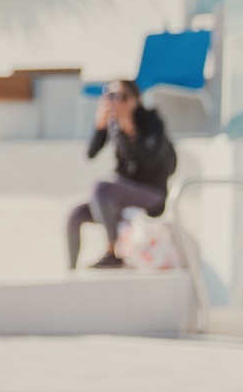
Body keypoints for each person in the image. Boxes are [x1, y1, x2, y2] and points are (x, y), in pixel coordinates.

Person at [68, 79, 176, 270]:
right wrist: (99, 126)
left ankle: (113, 252)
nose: (114, 101)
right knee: (75, 215)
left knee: (100, 187)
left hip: (152, 196)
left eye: (121, 96)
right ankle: (70, 271)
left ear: (136, 100)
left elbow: (150, 161)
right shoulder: (113, 124)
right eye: (109, 95)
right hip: (123, 198)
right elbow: (91, 153)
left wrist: (131, 131)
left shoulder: (151, 121)